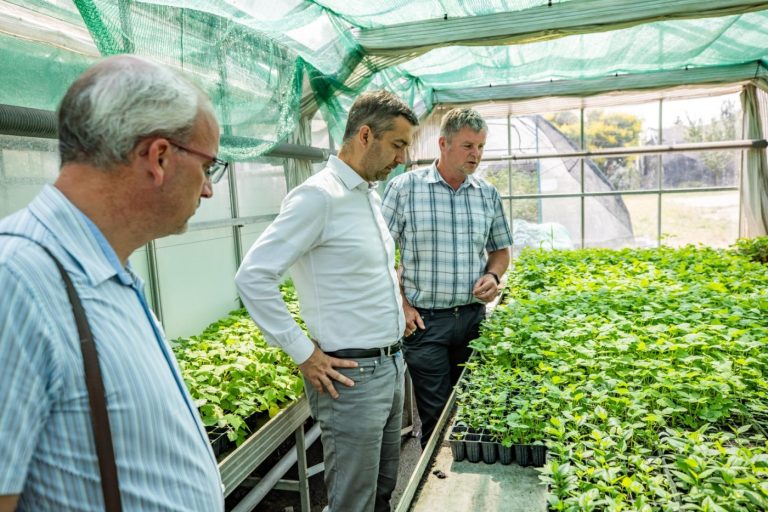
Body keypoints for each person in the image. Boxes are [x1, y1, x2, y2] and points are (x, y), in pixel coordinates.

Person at [0, 55, 226, 511]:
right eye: (209, 166)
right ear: (159, 157)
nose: (208, 189)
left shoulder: (102, 269)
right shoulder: (17, 280)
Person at [235, 90, 418, 512]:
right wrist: (304, 354)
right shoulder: (318, 197)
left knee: (382, 488)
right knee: (353, 500)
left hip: (391, 365)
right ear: (365, 135)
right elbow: (253, 277)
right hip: (352, 376)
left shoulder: (368, 196)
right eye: (397, 145)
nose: (402, 158)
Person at [381, 107, 513, 449]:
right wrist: (402, 305)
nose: (476, 154)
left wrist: (492, 275)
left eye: (481, 147)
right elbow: (379, 256)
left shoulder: (487, 194)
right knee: (437, 416)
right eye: (468, 146)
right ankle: (436, 478)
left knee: (473, 408)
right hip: (425, 324)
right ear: (443, 143)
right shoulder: (404, 189)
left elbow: (501, 251)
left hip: (472, 320)